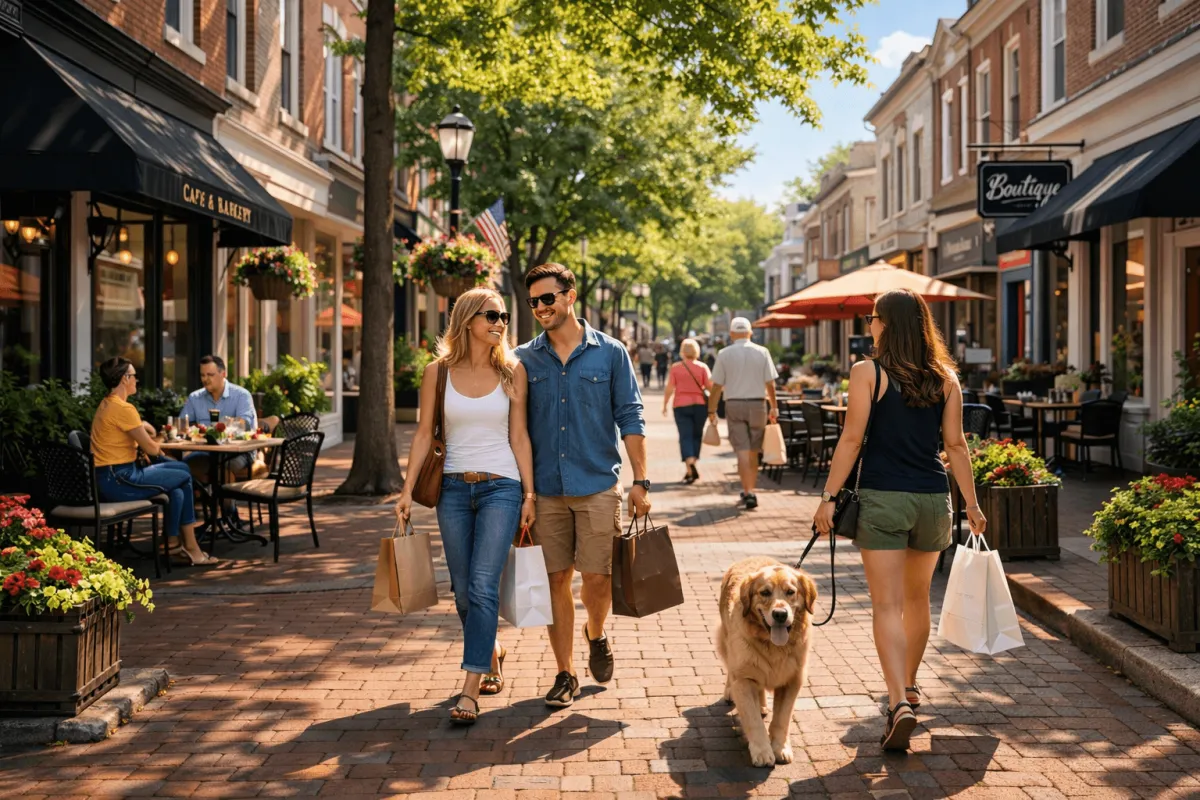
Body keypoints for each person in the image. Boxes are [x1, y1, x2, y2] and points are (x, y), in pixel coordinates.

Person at [814, 289, 986, 753]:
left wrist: (828, 498)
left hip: (884, 499)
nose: (869, 325)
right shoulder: (947, 377)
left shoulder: (867, 371)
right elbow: (956, 446)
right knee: (918, 601)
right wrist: (971, 504)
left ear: (886, 324)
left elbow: (851, 440)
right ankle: (909, 685)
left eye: (872, 318)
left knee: (887, 606)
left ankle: (896, 703)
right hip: (933, 500)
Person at [394, 288, 536, 725]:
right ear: (467, 319)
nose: (500, 322)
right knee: (461, 591)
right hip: (452, 490)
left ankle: (470, 687)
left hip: (502, 488)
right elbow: (422, 435)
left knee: (482, 585)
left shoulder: (514, 372)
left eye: (504, 316)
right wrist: (406, 489)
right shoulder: (437, 372)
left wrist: (529, 493)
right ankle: (491, 649)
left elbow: (519, 436)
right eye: (491, 315)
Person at [516, 263, 650, 708]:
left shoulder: (610, 353)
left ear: (570, 296)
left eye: (547, 298)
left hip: (596, 485)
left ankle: (596, 632)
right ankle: (565, 673)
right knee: (556, 579)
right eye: (533, 301)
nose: (540, 308)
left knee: (597, 577)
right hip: (546, 491)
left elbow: (630, 416)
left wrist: (641, 481)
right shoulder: (523, 358)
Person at [91, 358, 218, 566]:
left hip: (109, 478)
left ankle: (172, 543)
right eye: (133, 376)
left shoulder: (107, 404)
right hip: (120, 479)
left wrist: (146, 430)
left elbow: (130, 434)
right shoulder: (123, 408)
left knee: (177, 487)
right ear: (124, 379)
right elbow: (151, 448)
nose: (136, 380)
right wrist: (154, 434)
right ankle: (187, 546)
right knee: (184, 473)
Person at [707, 318, 778, 510]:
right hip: (758, 405)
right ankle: (751, 490)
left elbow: (717, 386)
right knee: (754, 451)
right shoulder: (762, 352)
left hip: (734, 404)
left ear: (731, 334)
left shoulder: (724, 354)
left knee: (742, 451)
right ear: (750, 333)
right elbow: (770, 383)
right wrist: (774, 407)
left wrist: (711, 409)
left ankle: (747, 491)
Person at [180, 355, 259, 482]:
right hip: (206, 452)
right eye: (202, 375)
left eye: (210, 375)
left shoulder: (241, 395)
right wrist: (188, 430)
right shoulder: (195, 397)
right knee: (182, 468)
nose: (205, 379)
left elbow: (246, 425)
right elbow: (182, 425)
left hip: (239, 452)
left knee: (223, 467)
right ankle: (200, 499)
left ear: (223, 374)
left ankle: (226, 502)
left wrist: (223, 425)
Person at [662, 338, 712, 484]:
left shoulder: (676, 368)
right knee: (697, 435)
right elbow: (710, 387)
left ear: (682, 352)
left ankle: (689, 465)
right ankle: (692, 464)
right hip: (700, 405)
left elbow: (670, 388)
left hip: (681, 405)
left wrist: (664, 404)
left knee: (685, 436)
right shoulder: (702, 367)